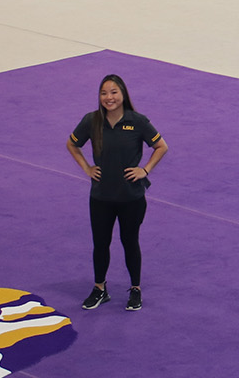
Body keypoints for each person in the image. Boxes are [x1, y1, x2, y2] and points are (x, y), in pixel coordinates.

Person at [67, 74, 168, 311]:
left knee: (129, 242)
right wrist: (87, 168)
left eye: (114, 92)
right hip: (101, 197)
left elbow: (161, 146)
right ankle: (99, 289)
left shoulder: (138, 121)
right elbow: (72, 144)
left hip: (131, 198)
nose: (109, 97)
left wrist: (145, 169)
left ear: (123, 94)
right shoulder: (91, 121)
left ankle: (135, 289)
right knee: (100, 244)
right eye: (104, 93)